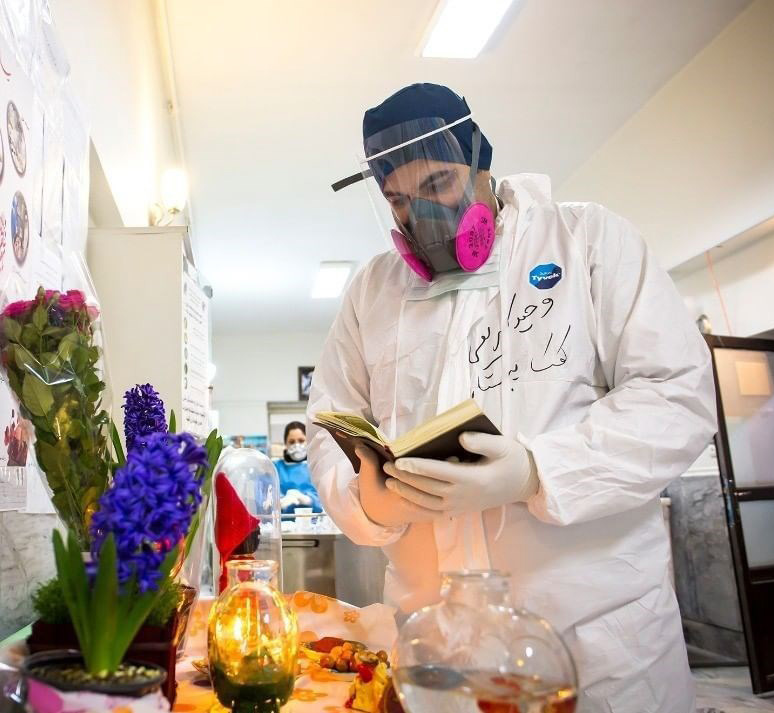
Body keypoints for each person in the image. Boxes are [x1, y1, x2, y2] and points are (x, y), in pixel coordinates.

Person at [308, 83, 715, 713]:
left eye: (439, 183)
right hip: (433, 645)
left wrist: (537, 471)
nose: (422, 216)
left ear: (482, 163)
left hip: (593, 641)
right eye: (399, 200)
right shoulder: (372, 290)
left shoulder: (588, 241)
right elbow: (326, 424)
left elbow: (678, 394)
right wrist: (368, 498)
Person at [273, 421, 322, 514]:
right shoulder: (276, 467)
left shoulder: (316, 467)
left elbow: (325, 501)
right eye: (291, 442)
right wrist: (280, 502)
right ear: (285, 444)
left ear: (308, 441)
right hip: (284, 521)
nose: (296, 445)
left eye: (301, 440)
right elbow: (268, 497)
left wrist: (308, 500)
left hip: (313, 521)